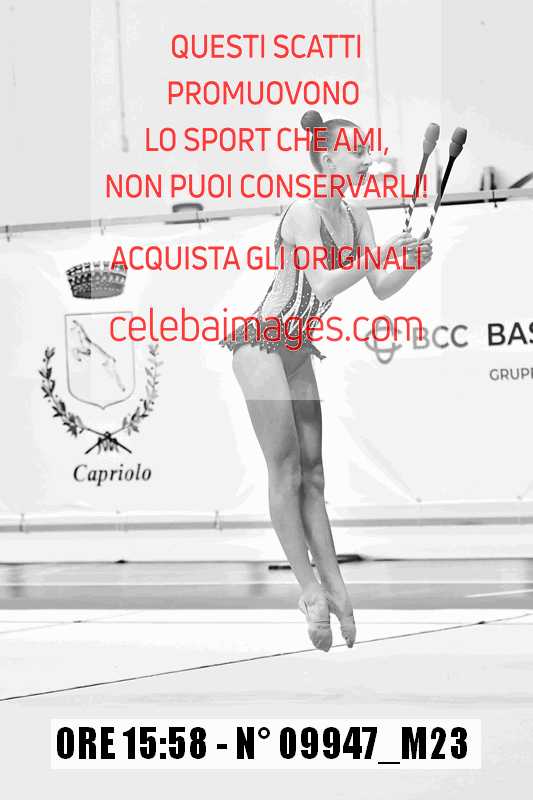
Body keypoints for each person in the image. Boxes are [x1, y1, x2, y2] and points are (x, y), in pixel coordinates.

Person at [219, 110, 433, 651]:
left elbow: (379, 286)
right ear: (327, 158)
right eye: (356, 150)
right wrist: (378, 253)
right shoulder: (303, 212)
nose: (366, 158)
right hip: (261, 344)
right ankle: (309, 591)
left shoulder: (357, 214)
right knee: (287, 468)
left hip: (297, 349)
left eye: (366, 149)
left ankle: (337, 587)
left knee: (314, 476)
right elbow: (322, 281)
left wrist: (411, 262)